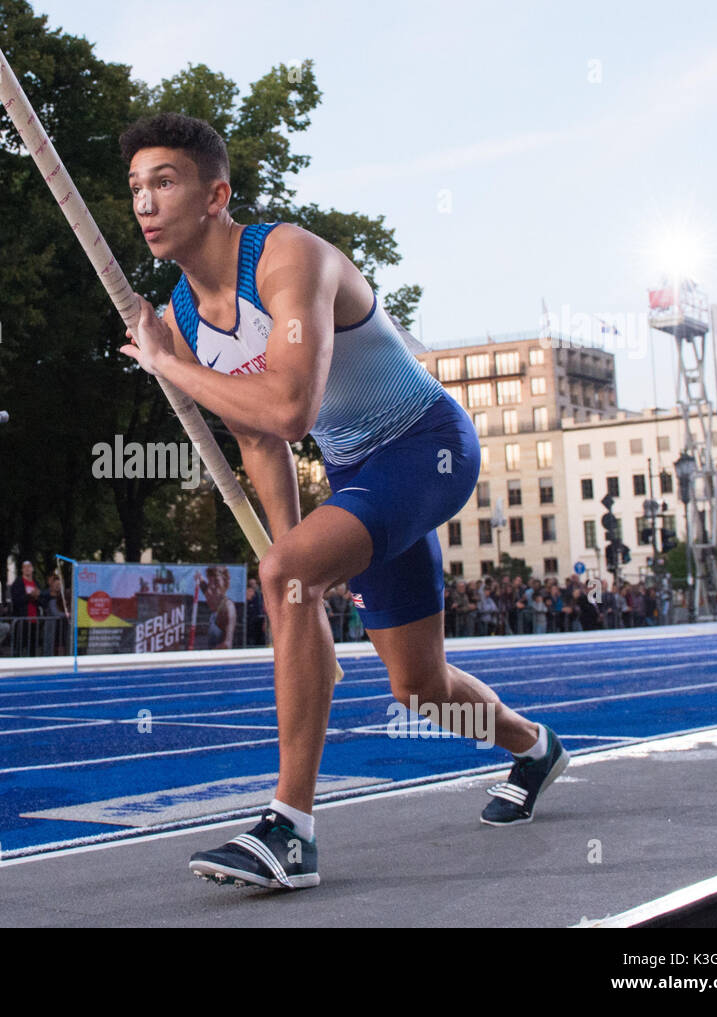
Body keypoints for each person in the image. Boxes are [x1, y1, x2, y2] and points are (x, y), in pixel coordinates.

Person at [117, 113, 567, 889]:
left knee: (290, 572)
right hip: (362, 475)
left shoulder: (288, 258)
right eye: (135, 189)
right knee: (418, 685)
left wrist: (168, 367)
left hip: (428, 445)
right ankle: (534, 748)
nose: (146, 204)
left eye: (164, 182)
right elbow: (260, 441)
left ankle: (289, 828)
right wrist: (301, 583)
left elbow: (290, 408)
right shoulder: (185, 316)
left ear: (216, 193)